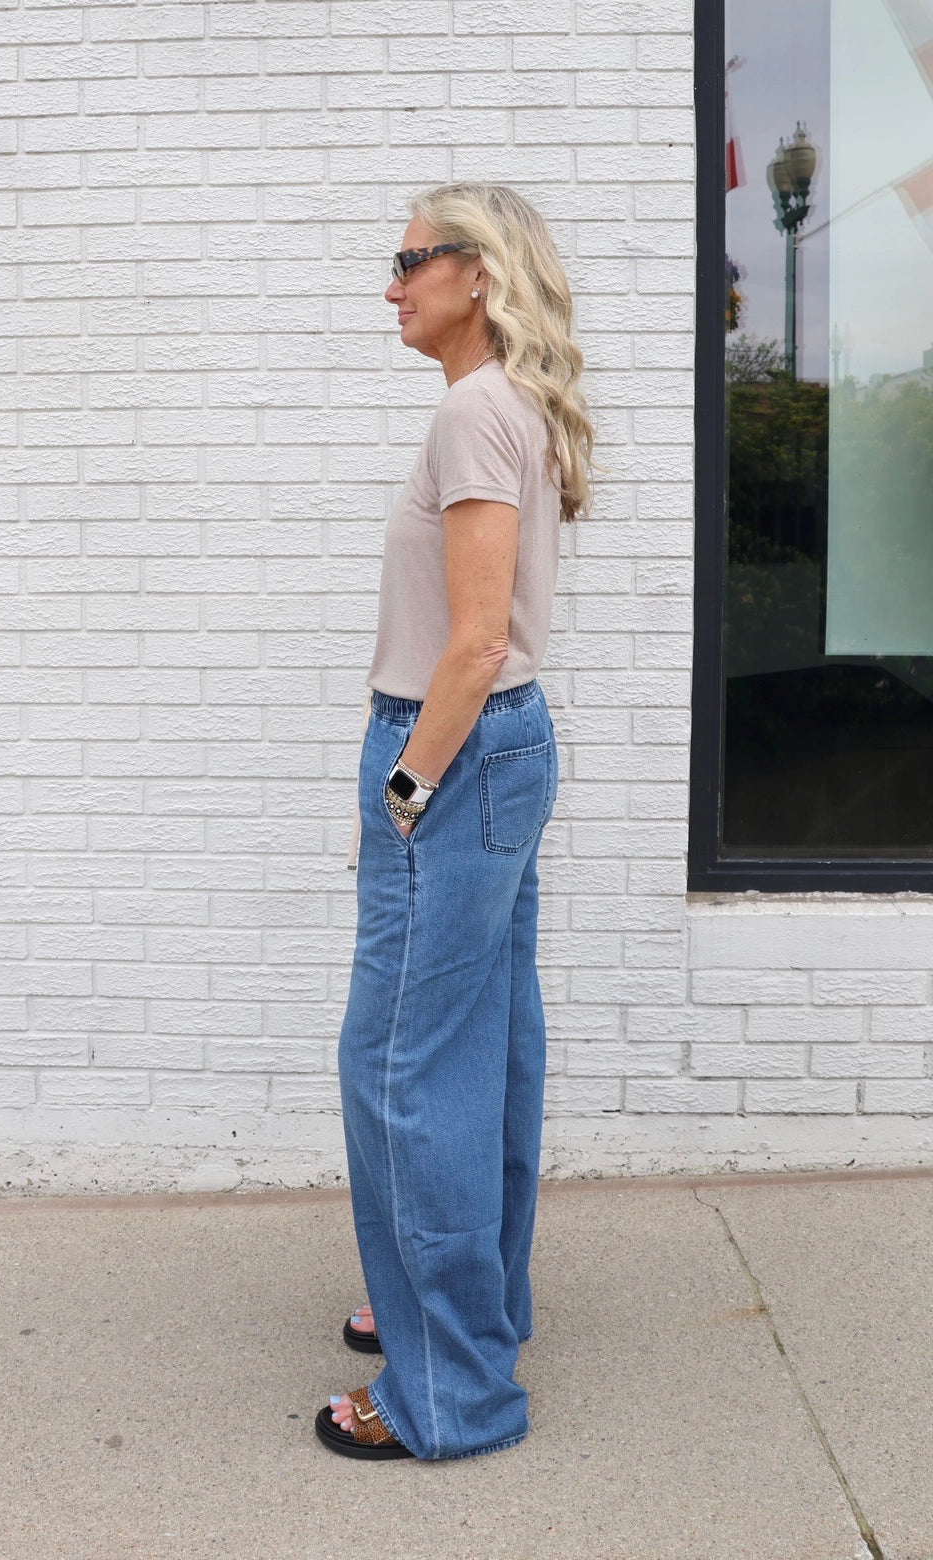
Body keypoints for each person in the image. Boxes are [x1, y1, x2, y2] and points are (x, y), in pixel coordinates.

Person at [313, 182, 596, 1462]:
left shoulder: (477, 413)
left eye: (408, 260)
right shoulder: (505, 408)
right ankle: (470, 1313)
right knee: (480, 1047)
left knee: (397, 1073)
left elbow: (476, 641)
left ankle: (452, 1390)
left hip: (458, 756)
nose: (392, 284)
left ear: (475, 274)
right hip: (501, 758)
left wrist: (407, 785)